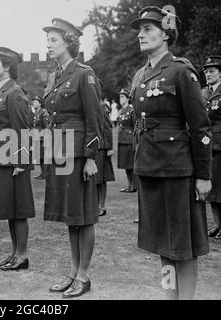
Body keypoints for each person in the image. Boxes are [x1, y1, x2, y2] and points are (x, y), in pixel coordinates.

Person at [130, 6, 212, 299]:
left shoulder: (180, 71)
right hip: (151, 167)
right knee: (164, 244)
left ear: (166, 34)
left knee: (184, 243)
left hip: (178, 170)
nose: (141, 35)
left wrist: (204, 175)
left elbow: (200, 127)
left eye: (148, 29)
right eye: (140, 30)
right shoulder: (141, 75)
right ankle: (170, 296)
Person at [42, 18, 103, 298]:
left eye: (54, 39)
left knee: (84, 216)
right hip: (60, 150)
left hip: (79, 154)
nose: (49, 44)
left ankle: (84, 275)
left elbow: (95, 118)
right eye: (48, 39)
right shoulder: (55, 75)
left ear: (69, 42)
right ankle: (72, 272)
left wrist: (91, 157)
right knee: (71, 216)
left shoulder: (84, 73)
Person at [0, 47, 35, 271]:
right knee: (10, 209)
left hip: (12, 160)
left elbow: (22, 129)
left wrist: (20, 163)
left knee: (18, 209)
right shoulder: (0, 92)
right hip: (0, 158)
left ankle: (22, 256)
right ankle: (14, 254)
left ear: (7, 67)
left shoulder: (14, 93)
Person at [202, 55, 221, 239]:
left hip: (220, 144)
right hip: (207, 145)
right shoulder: (203, 93)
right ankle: (216, 225)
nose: (208, 74)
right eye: (206, 71)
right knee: (213, 188)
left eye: (212, 71)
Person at [96, 101, 115, 216]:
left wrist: (109, 147)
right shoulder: (88, 103)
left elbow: (107, 127)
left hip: (101, 148)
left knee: (101, 179)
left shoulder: (101, 106)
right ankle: (95, 205)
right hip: (92, 147)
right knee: (94, 179)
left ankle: (101, 206)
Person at [117, 88, 137, 193]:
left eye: (122, 97)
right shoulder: (121, 111)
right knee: (125, 164)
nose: (120, 99)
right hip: (122, 140)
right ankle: (129, 185)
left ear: (128, 98)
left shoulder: (131, 110)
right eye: (120, 97)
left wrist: (135, 141)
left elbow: (135, 126)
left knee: (131, 164)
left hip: (129, 140)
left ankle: (134, 185)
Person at [31, 95, 49, 179]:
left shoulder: (43, 112)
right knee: (40, 157)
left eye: (35, 102)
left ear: (40, 103)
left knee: (43, 157)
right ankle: (42, 173)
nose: (33, 104)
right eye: (33, 102)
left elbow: (46, 126)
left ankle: (45, 174)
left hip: (42, 138)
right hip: (37, 137)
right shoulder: (36, 112)